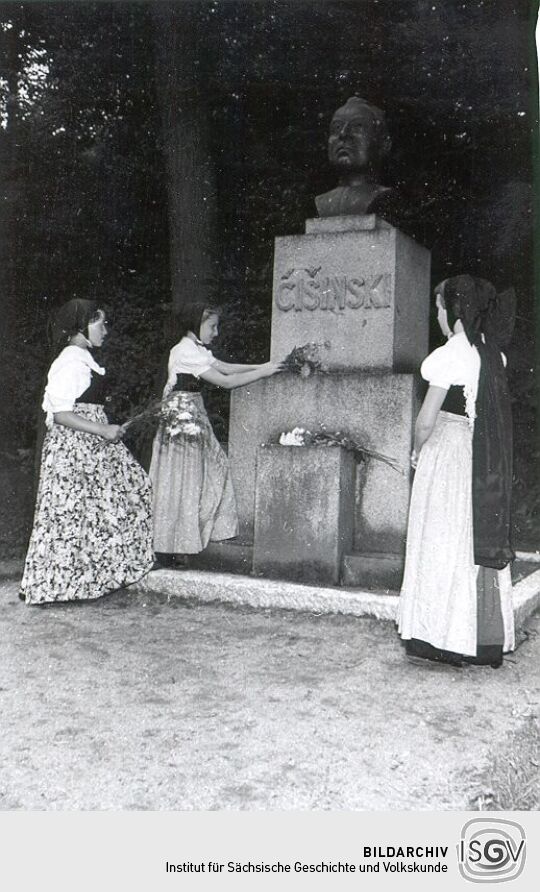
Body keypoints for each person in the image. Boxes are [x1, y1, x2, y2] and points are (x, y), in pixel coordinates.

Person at [398, 275, 515, 668]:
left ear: (455, 309)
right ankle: (481, 637)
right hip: (482, 458)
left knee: (441, 539)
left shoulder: (449, 354)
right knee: (469, 540)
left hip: (448, 455)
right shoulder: (493, 354)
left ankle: (439, 636)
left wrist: (416, 451)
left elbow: (427, 419)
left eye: (439, 307)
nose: (438, 315)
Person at [20, 299, 154, 605]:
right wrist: (103, 430)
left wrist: (104, 426)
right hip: (75, 446)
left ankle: (92, 578)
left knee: (109, 502)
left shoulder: (83, 357)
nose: (105, 330)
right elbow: (62, 414)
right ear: (81, 326)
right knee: (75, 514)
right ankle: (62, 584)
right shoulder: (70, 360)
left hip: (90, 442)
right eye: (100, 323)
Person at [149, 302, 282, 566]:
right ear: (195, 324)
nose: (216, 332)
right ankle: (173, 546)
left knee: (201, 474)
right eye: (212, 326)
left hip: (192, 413)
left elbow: (225, 367)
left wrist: (264, 365)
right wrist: (265, 371)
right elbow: (226, 381)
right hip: (182, 420)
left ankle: (183, 541)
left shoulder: (195, 348)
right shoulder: (184, 351)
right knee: (185, 479)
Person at [315, 96, 393, 218]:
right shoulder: (321, 201)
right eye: (337, 127)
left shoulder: (382, 196)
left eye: (357, 127)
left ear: (383, 144)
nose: (343, 134)